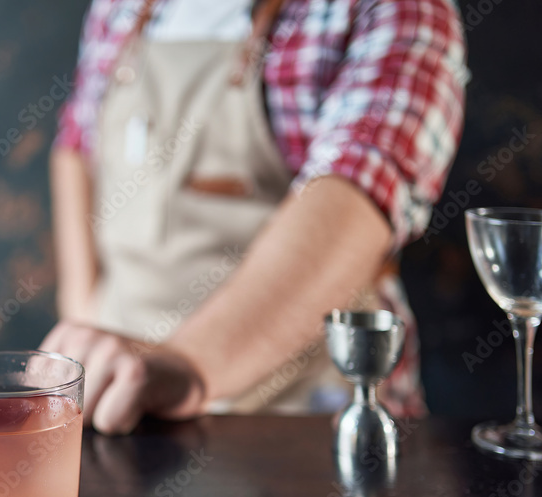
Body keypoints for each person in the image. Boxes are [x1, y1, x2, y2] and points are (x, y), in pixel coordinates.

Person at [39, 0, 466, 435]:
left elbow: (356, 195)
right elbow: (77, 144)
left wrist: (184, 367)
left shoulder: (387, 8)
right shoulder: (119, 7)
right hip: (125, 411)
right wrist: (86, 326)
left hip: (299, 421)